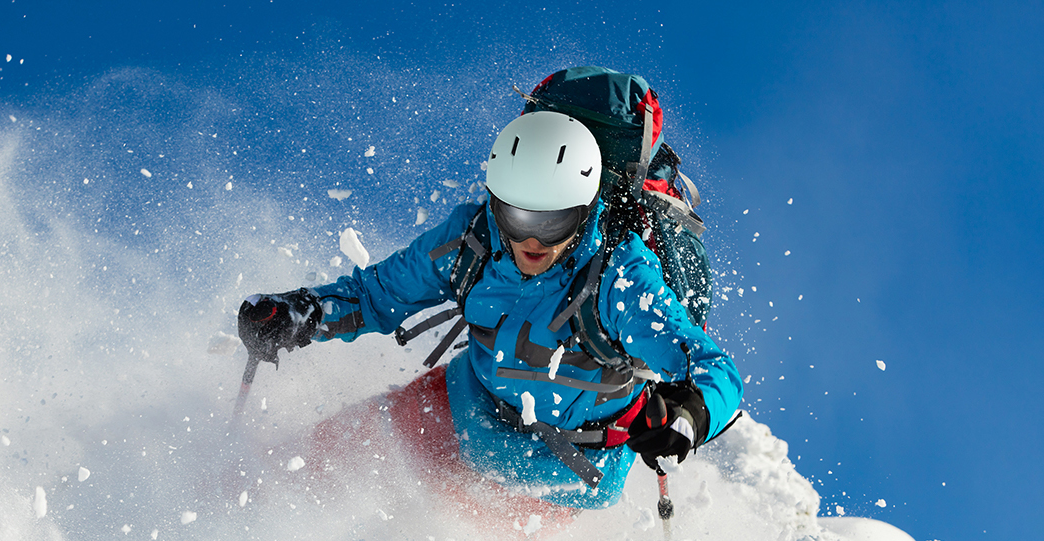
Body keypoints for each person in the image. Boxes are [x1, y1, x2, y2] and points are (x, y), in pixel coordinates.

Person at [237, 110, 742, 511]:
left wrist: (690, 411)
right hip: (462, 402)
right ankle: (224, 504)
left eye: (553, 220)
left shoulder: (620, 275)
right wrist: (303, 313)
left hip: (563, 472)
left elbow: (713, 368)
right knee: (304, 468)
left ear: (586, 206)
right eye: (518, 213)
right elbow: (375, 295)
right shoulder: (471, 239)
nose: (530, 238)